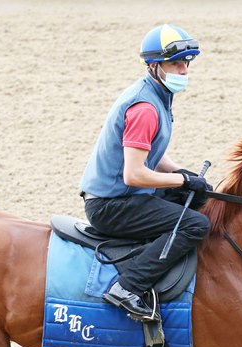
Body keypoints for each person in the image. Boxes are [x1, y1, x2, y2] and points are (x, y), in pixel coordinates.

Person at [79, 24, 211, 321]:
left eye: (186, 63)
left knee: (194, 198)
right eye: (176, 63)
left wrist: (182, 173)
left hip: (125, 196)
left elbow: (152, 152)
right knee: (196, 225)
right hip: (111, 205)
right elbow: (134, 174)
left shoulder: (156, 94)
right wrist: (182, 180)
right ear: (154, 66)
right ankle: (128, 287)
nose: (184, 70)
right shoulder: (145, 108)